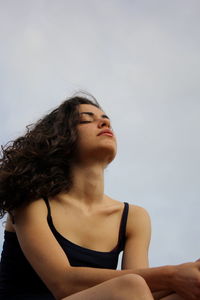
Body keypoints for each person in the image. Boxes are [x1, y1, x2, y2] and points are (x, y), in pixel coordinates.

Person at [0, 94, 199, 300]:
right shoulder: (32, 200)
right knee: (129, 286)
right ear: (61, 136)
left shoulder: (133, 217)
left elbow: (146, 290)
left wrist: (191, 274)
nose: (104, 122)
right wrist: (172, 275)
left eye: (106, 119)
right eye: (86, 120)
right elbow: (63, 283)